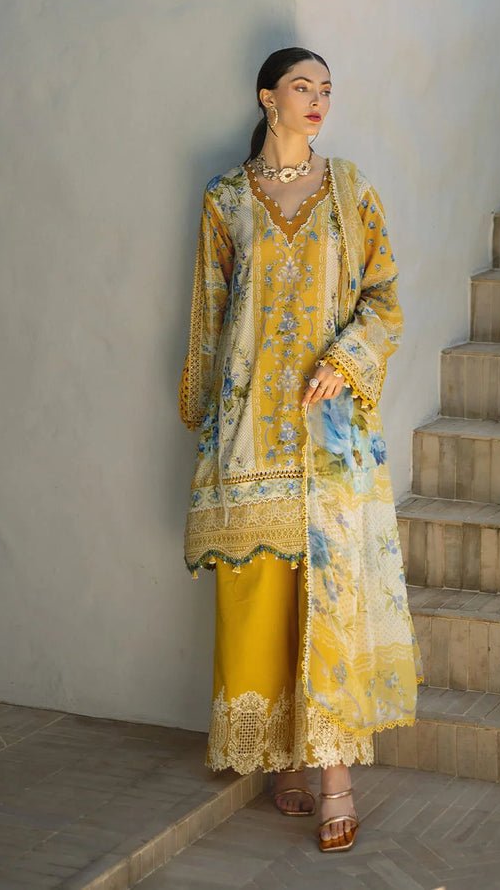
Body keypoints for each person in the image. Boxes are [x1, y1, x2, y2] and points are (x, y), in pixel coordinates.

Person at [178, 47, 423, 853]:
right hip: (249, 434)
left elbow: (384, 299)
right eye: (301, 87)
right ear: (267, 98)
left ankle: (337, 784)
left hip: (329, 439)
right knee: (260, 598)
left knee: (331, 602)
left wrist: (344, 361)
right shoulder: (225, 198)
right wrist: (209, 426)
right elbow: (210, 314)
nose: (316, 100)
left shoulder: (350, 190)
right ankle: (280, 757)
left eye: (325, 89)